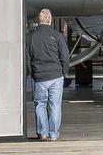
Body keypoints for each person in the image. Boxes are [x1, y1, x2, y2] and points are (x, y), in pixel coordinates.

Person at [27, 8, 70, 141]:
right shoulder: (57, 36)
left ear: (38, 21)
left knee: (40, 105)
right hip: (56, 75)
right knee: (55, 105)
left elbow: (27, 58)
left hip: (40, 76)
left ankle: (43, 133)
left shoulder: (30, 36)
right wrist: (63, 71)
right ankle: (54, 134)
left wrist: (31, 73)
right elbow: (65, 56)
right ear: (50, 20)